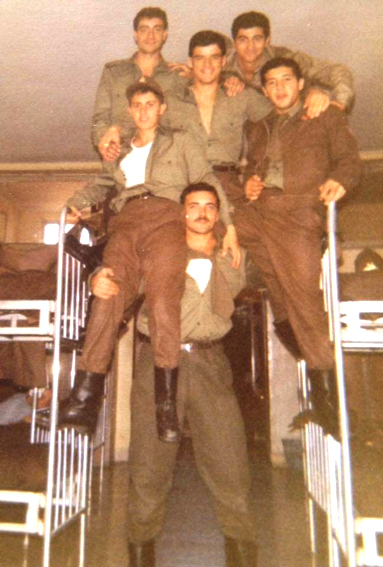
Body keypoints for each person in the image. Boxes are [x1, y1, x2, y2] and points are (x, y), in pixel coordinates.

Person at [58, 81, 239, 443]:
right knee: (108, 296)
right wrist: (72, 204)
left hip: (167, 219)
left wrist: (229, 224)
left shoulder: (180, 141)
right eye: (137, 105)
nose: (143, 110)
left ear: (162, 109)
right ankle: (84, 401)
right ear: (130, 111)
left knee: (162, 299)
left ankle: (166, 406)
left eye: (150, 104)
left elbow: (207, 180)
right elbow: (102, 184)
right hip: (125, 222)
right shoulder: (118, 150)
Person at [92, 182, 257, 567]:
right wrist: (96, 278)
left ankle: (243, 554)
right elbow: (120, 274)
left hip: (211, 364)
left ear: (218, 214)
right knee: (149, 467)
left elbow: (275, 275)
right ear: (181, 212)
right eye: (193, 205)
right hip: (158, 365)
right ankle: (140, 553)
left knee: (231, 465)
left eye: (210, 206)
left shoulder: (235, 255)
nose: (202, 212)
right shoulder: (157, 250)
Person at [234, 57, 361, 429]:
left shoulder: (324, 114)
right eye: (271, 82)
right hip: (258, 213)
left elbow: (349, 161)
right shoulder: (259, 127)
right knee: (219, 224)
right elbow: (253, 169)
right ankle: (309, 363)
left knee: (302, 301)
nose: (279, 88)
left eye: (286, 80)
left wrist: (340, 180)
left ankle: (328, 400)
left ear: (301, 82)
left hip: (298, 213)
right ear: (264, 89)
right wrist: (249, 182)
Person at [162, 30, 271, 205]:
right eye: (200, 58)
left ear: (223, 61)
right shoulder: (171, 101)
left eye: (214, 57)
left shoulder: (242, 95)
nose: (207, 65)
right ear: (190, 62)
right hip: (185, 185)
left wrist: (257, 173)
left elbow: (281, 115)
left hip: (228, 185)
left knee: (245, 220)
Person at [92, 6, 187, 161]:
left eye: (157, 29)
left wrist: (197, 77)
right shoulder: (114, 72)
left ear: (165, 35)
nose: (150, 36)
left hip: (164, 159)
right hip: (120, 157)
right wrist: (105, 141)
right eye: (144, 29)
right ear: (136, 35)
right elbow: (99, 120)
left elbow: (186, 123)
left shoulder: (178, 76)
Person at [225, 11, 355, 118]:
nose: (250, 47)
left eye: (257, 39)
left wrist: (339, 103)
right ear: (234, 42)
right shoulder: (221, 62)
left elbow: (338, 70)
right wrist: (226, 78)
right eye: (243, 40)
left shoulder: (285, 58)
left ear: (267, 41)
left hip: (289, 121)